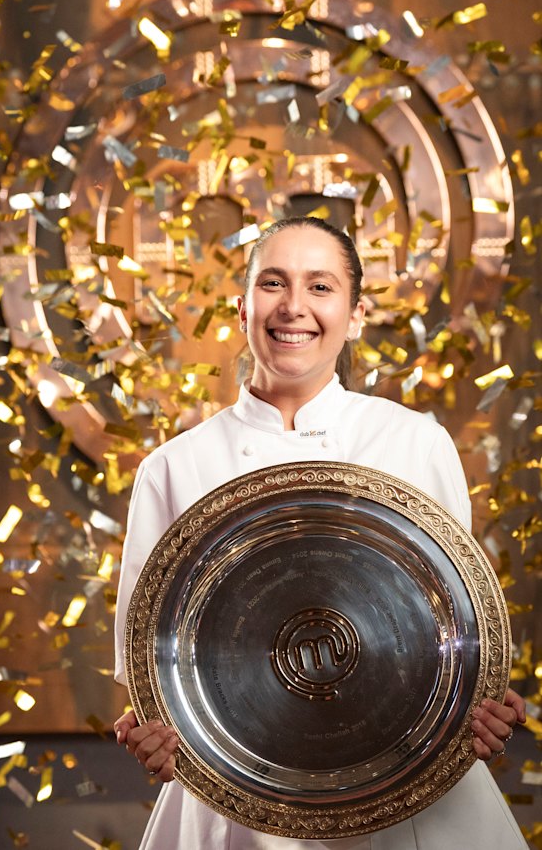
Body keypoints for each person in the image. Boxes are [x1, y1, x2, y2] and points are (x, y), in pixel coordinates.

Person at [114, 217, 527, 850]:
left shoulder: (415, 443)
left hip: (408, 799)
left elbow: (461, 629)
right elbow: (151, 675)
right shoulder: (173, 467)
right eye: (273, 283)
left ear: (357, 314)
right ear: (243, 305)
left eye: (320, 287)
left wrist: (484, 704)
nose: (294, 307)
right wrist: (151, 734)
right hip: (240, 802)